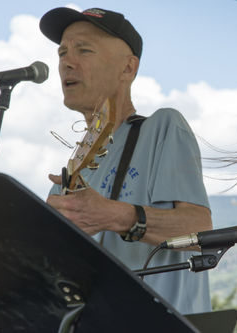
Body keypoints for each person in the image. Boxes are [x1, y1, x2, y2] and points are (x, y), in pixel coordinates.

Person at [39, 7, 212, 314]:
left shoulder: (162, 128)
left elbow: (202, 232)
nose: (66, 61)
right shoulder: (70, 172)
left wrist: (115, 215)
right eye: (62, 52)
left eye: (84, 50)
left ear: (128, 68)